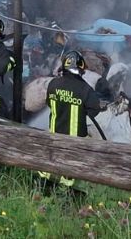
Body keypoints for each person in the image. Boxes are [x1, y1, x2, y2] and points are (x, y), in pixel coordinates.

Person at [39, 50, 105, 192]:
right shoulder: (85, 89)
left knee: (50, 165)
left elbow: (49, 103)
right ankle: (68, 198)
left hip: (54, 136)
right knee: (70, 173)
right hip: (75, 141)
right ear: (81, 68)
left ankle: (43, 192)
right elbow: (95, 110)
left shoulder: (53, 84)